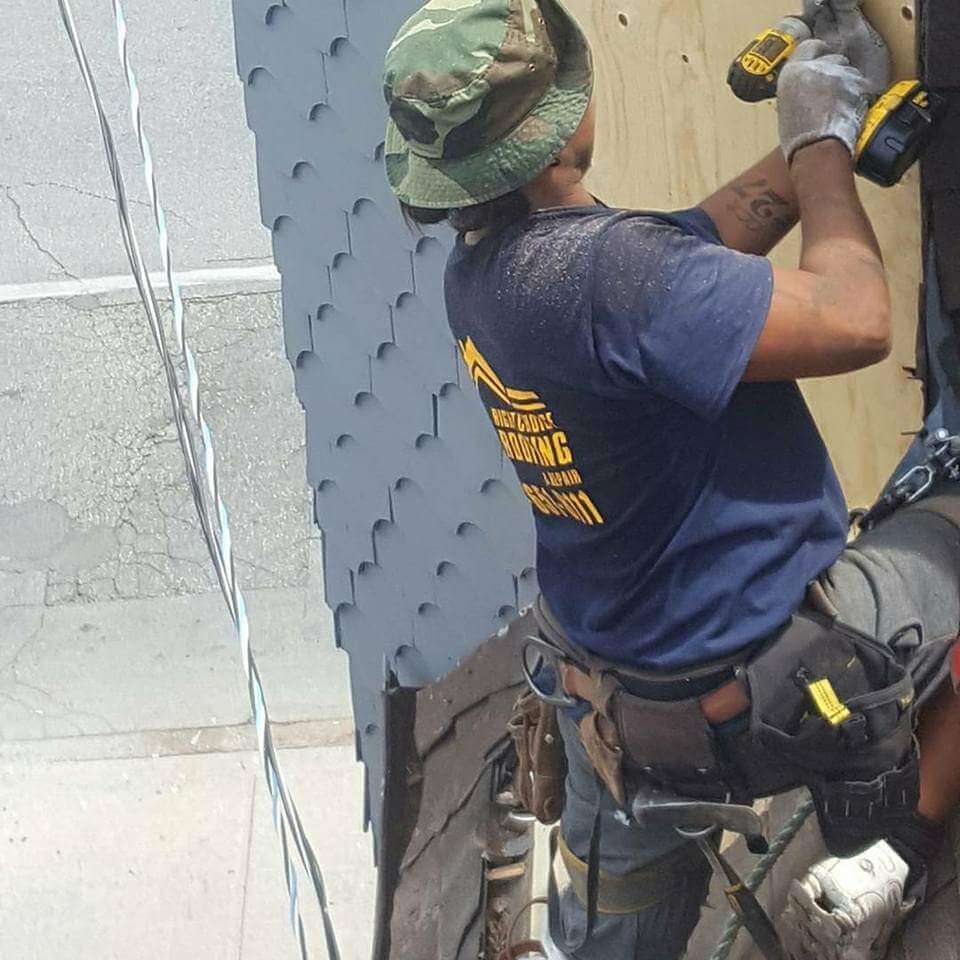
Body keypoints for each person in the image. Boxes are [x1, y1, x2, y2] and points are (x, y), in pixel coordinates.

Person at [381, 1, 960, 957]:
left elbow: (694, 250)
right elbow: (858, 319)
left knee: (614, 942)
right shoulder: (609, 278)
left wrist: (822, 123)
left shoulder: (497, 272)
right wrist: (820, 151)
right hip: (756, 683)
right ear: (571, 118)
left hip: (611, 704)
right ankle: (889, 859)